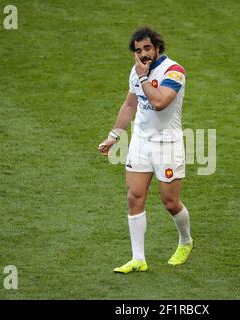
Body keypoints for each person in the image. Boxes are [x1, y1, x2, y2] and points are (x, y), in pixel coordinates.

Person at [98, 26, 193, 273]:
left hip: (167, 146)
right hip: (141, 142)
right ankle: (138, 258)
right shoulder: (136, 71)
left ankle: (185, 241)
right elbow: (130, 105)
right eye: (138, 50)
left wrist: (143, 77)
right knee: (134, 197)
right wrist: (113, 135)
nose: (143, 54)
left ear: (158, 47)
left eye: (147, 48)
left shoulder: (174, 71)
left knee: (170, 202)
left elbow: (159, 102)